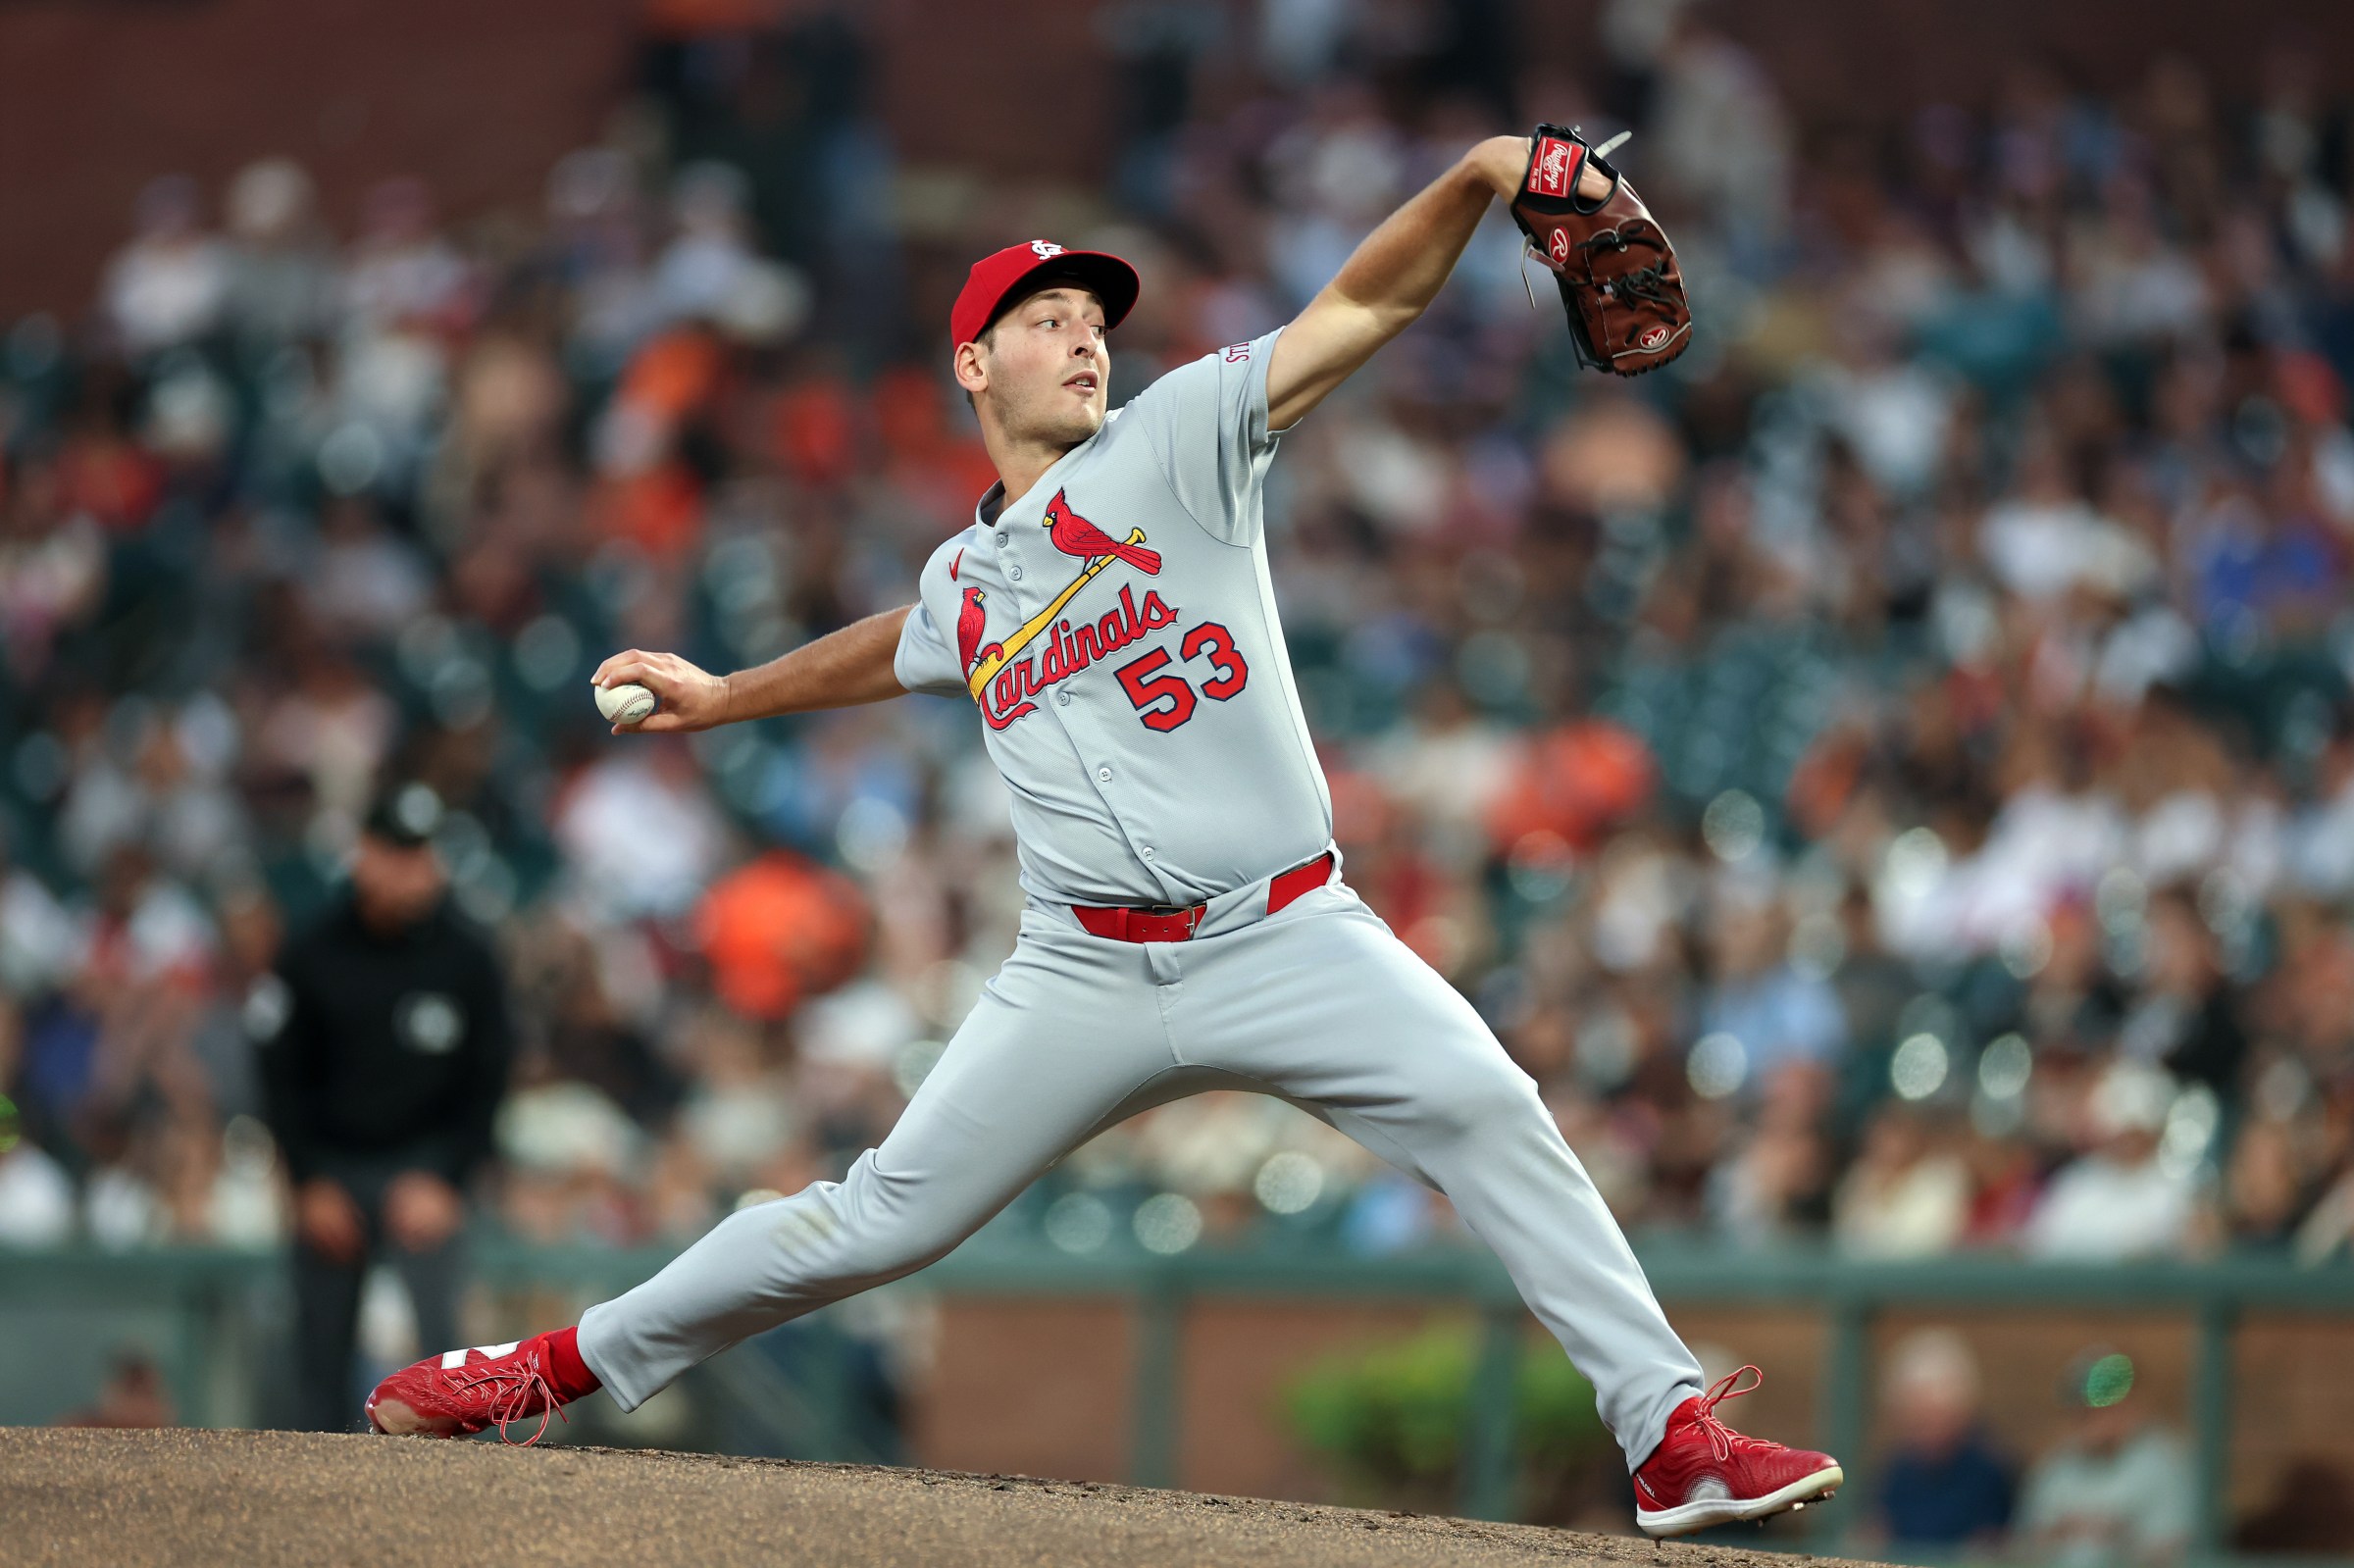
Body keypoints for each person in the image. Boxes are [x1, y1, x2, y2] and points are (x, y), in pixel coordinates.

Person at [364, 132, 1841, 1537]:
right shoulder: (969, 573)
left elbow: (1368, 301)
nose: (1084, 338)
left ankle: (1669, 1433)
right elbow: (907, 637)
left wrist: (1470, 179)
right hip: (1079, 969)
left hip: (1284, 930)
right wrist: (729, 693)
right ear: (971, 364)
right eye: (1046, 316)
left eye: (1093, 318)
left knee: (1491, 1109)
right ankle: (546, 1368)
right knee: (871, 1220)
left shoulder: (1182, 437)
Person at [257, 784, 513, 1432]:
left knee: (445, 1358)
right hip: (332, 1166)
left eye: (423, 853)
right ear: (365, 856)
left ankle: (453, 1507)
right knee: (317, 1360)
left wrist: (448, 1179)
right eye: (398, 852)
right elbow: (280, 1077)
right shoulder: (312, 951)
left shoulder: (467, 956)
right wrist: (308, 1181)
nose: (414, 869)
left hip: (425, 1167)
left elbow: (488, 1080)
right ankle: (311, 1505)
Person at [2015, 1349, 2194, 1567]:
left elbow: (2171, 1552)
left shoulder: (2164, 1463)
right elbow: (2025, 1548)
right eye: (2083, 1406)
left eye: (2104, 1403)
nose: (2092, 1415)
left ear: (2129, 1404)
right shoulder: (2056, 1468)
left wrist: (2112, 1534)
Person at [1871, 1328, 2014, 1547]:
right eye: (1913, 1417)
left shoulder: (1991, 1471)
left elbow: (1993, 1544)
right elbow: (1874, 1533)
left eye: (1930, 1415)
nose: (1921, 1427)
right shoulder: (1896, 1472)